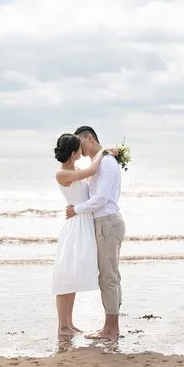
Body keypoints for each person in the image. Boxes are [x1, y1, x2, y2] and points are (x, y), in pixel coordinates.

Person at [51, 133, 116, 336]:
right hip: (75, 225)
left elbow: (93, 177)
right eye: (79, 149)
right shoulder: (62, 174)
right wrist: (103, 151)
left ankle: (69, 324)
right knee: (66, 275)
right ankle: (62, 325)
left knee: (74, 275)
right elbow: (93, 169)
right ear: (73, 153)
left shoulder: (75, 170)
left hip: (83, 223)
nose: (82, 151)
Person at [65, 126, 126, 340]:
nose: (79, 151)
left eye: (80, 145)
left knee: (108, 278)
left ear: (89, 139)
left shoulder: (107, 164)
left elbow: (100, 199)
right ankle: (111, 327)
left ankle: (111, 330)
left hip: (107, 222)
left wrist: (75, 210)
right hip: (105, 222)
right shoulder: (100, 162)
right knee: (111, 276)